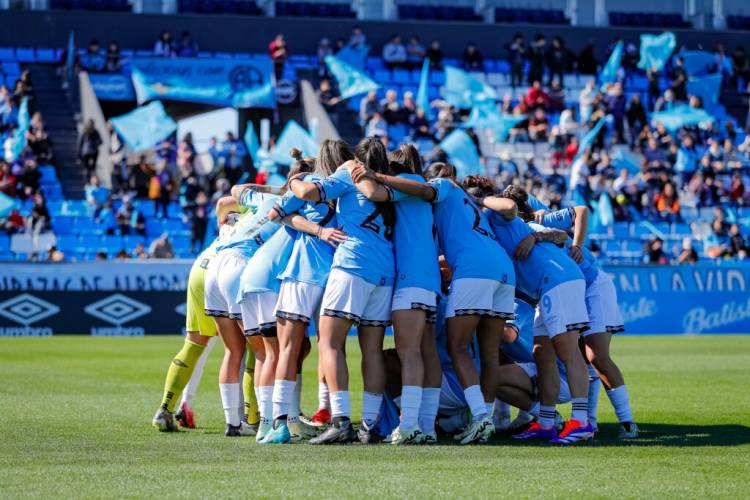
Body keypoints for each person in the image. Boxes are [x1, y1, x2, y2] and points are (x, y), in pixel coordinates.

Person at [368, 162, 516, 444]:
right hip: (503, 269)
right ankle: (485, 418)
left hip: (474, 268)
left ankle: (482, 419)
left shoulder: (445, 186)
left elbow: (425, 190)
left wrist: (380, 177)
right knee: (489, 354)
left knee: (458, 347)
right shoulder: (466, 202)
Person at [289, 138, 396, 445]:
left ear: (356, 157)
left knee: (330, 342)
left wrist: (295, 180)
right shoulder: (386, 180)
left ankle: (340, 421)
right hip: (384, 270)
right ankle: (371, 425)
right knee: (372, 349)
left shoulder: (351, 170)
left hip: (353, 264)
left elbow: (310, 192)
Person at [475, 182, 593, 444]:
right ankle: (547, 423)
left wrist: (483, 200)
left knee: (568, 351)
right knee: (543, 355)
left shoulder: (497, 215)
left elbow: (557, 234)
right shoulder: (505, 227)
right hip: (547, 289)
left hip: (558, 281)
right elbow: (557, 235)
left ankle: (582, 422)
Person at [350, 144, 443, 444]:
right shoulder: (413, 190)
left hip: (412, 278)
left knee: (409, 351)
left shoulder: (411, 185)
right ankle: (426, 426)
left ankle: (411, 424)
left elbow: (374, 193)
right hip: (426, 279)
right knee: (425, 350)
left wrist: (362, 173)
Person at [259, 146, 347, 444]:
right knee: (332, 347)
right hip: (339, 273)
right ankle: (335, 414)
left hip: (304, 271)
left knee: (288, 348)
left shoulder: (309, 182)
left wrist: (313, 228)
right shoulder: (353, 182)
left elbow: (275, 214)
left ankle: (280, 421)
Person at [531, 201, 639, 439]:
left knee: (596, 355)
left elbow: (581, 210)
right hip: (570, 289)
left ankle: (627, 421)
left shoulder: (539, 217)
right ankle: (589, 421)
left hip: (592, 285)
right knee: (579, 356)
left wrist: (577, 244)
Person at [151, 204, 236, 432]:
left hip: (203, 262)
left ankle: (169, 408)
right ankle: (249, 418)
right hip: (229, 266)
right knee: (248, 346)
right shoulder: (274, 206)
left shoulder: (241, 201)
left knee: (195, 344)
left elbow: (222, 203)